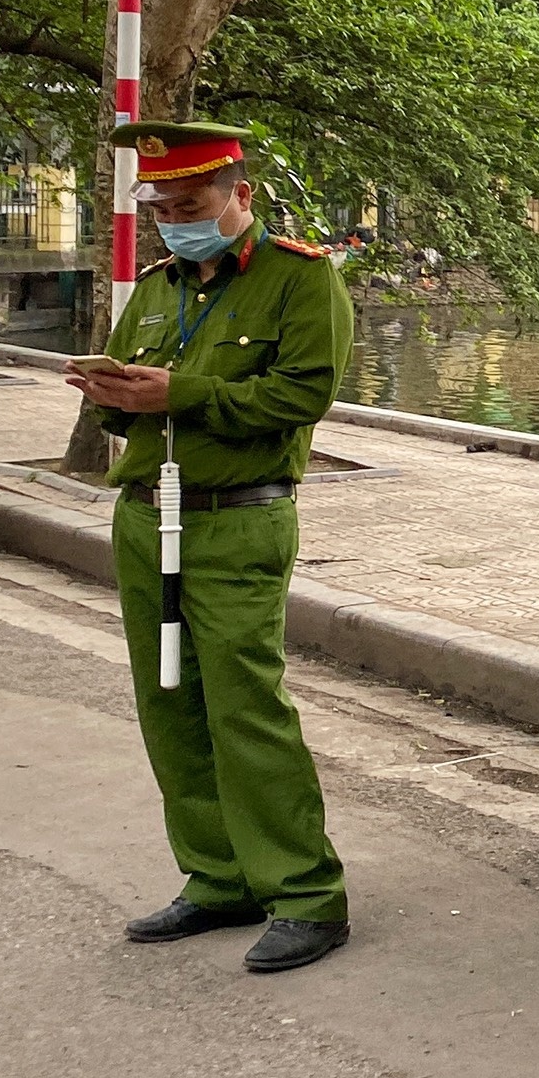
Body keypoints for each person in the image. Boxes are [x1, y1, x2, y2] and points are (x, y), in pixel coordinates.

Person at [64, 121, 355, 971]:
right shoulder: (158, 288)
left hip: (237, 518)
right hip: (145, 516)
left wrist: (180, 394)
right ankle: (219, 877)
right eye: (161, 211)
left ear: (240, 195)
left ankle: (305, 894)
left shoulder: (299, 279)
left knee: (244, 704)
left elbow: (301, 397)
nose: (174, 223)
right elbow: (132, 401)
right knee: (169, 700)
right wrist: (112, 394)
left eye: (189, 207)